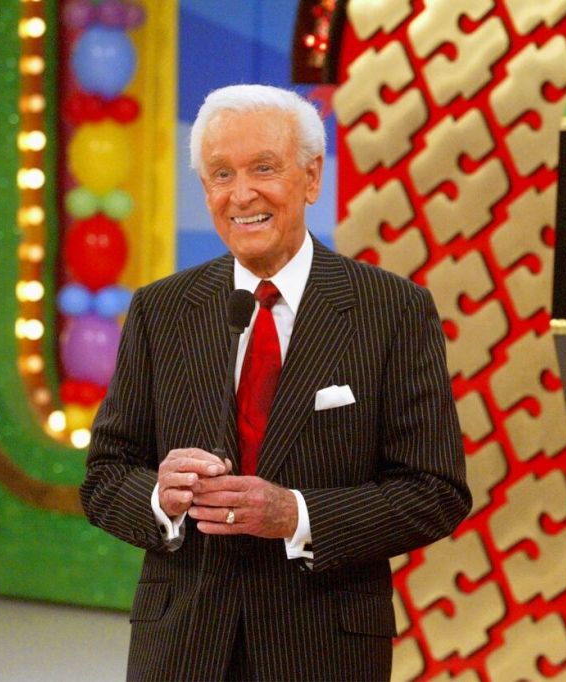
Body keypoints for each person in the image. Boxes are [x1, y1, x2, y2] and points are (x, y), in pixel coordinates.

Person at [80, 84, 471, 681]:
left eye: (264, 168)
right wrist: (162, 497)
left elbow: (435, 492)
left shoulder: (393, 310)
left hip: (321, 648)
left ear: (312, 178)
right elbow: (105, 478)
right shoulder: (162, 310)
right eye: (221, 174)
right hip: (181, 646)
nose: (242, 195)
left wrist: (296, 514)